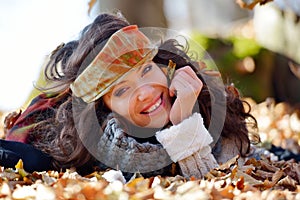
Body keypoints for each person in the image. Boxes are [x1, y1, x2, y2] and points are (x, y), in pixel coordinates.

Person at [2, 12, 258, 179]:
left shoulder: (207, 103)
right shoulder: (100, 149)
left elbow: (225, 182)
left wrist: (188, 119)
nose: (145, 91)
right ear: (104, 107)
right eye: (122, 90)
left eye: (146, 70)